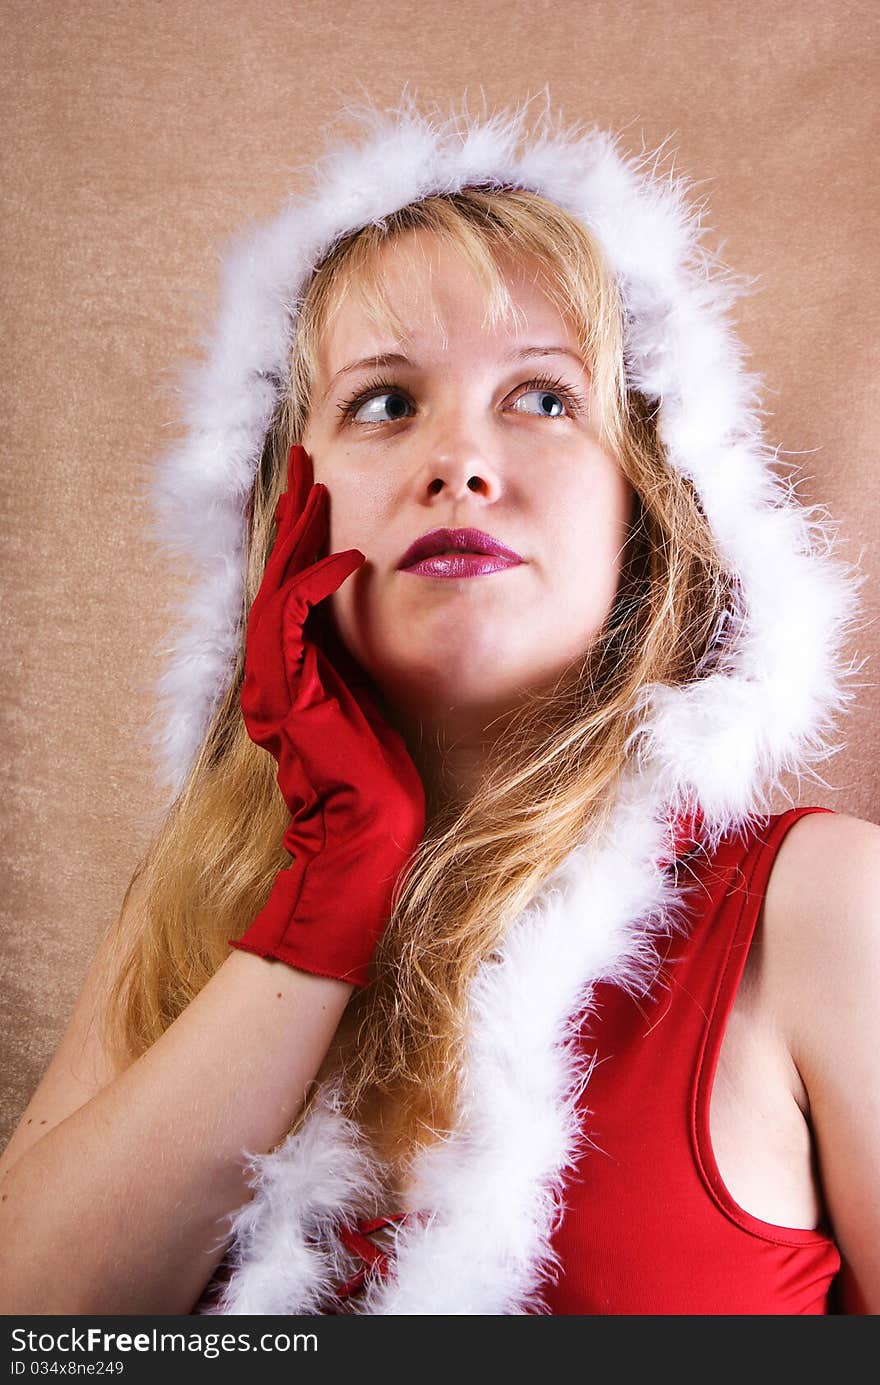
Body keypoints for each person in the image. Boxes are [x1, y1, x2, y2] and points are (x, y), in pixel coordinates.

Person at [0, 94, 877, 1317]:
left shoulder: (822, 909)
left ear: (646, 505)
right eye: (383, 401)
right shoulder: (188, 905)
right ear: (281, 512)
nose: (459, 461)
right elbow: (39, 1336)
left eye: (543, 397)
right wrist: (328, 891)